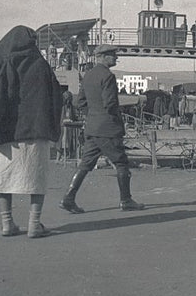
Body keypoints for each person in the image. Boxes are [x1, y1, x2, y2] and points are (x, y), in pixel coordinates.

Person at [0, 26, 63, 238]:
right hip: (35, 131)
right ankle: (34, 224)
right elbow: (55, 95)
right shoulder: (40, 65)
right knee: (36, 176)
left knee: (4, 176)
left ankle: (7, 223)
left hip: (3, 131)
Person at [59, 43, 146, 215]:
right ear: (103, 57)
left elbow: (80, 102)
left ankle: (69, 198)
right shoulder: (108, 76)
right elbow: (110, 103)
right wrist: (114, 118)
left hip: (92, 128)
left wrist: (93, 115)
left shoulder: (88, 75)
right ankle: (126, 200)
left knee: (85, 164)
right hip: (108, 129)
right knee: (121, 163)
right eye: (113, 55)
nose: (116, 57)